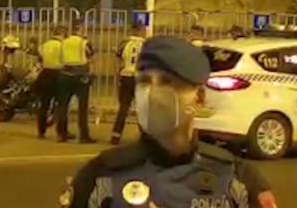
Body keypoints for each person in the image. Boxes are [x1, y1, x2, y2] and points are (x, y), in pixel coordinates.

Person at [60, 36, 277, 208]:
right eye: (144, 82)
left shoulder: (236, 179)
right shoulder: (101, 176)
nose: (152, 93)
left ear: (199, 97)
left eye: (167, 82)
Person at [56, 24, 96, 144]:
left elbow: (60, 58)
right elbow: (91, 59)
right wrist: (91, 74)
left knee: (63, 106)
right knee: (82, 107)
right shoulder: (84, 43)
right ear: (80, 30)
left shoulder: (63, 42)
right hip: (80, 75)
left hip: (65, 75)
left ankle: (61, 134)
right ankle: (84, 136)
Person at [110, 23, 146, 145]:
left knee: (123, 107)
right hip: (140, 78)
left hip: (126, 76)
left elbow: (117, 61)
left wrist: (117, 76)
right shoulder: (146, 45)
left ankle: (116, 135)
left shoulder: (124, 43)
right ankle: (145, 137)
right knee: (142, 109)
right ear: (141, 31)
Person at [37, 28, 65, 140]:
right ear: (62, 34)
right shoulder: (62, 46)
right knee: (61, 104)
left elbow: (40, 60)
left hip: (45, 74)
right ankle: (61, 132)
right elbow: (65, 60)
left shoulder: (44, 45)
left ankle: (41, 131)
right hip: (58, 74)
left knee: (43, 105)